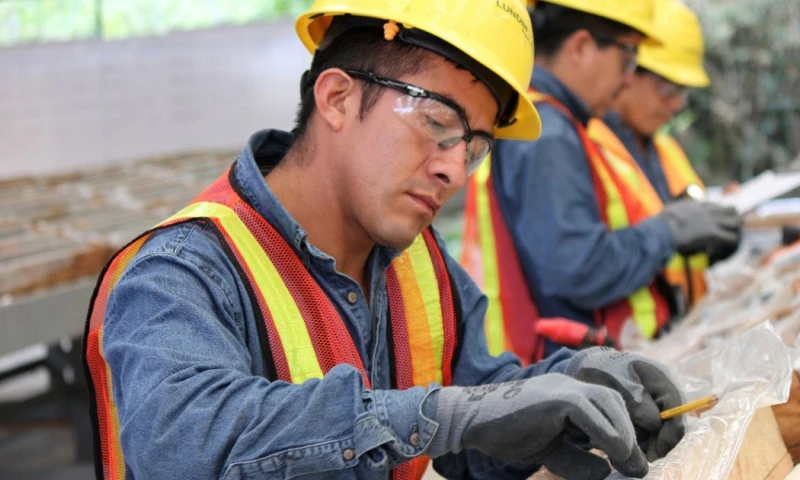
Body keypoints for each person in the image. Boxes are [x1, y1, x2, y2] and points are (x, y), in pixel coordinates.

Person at [83, 1, 684, 479]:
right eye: (438, 123)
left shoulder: (417, 263)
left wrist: (571, 392)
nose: (454, 168)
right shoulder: (181, 271)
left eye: (473, 145)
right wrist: (441, 416)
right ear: (338, 97)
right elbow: (182, 447)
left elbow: (474, 414)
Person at [461, 0, 741, 362]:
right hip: (568, 372)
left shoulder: (562, 123)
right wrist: (667, 231)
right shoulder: (549, 134)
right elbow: (578, 269)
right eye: (628, 61)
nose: (628, 80)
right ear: (580, 47)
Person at [588, 0, 741, 307]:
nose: (677, 105)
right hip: (613, 348)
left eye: (683, 93)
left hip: (675, 332)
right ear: (628, 74)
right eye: (669, 89)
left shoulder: (664, 148)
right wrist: (672, 230)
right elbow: (584, 270)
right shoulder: (587, 147)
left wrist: (718, 231)